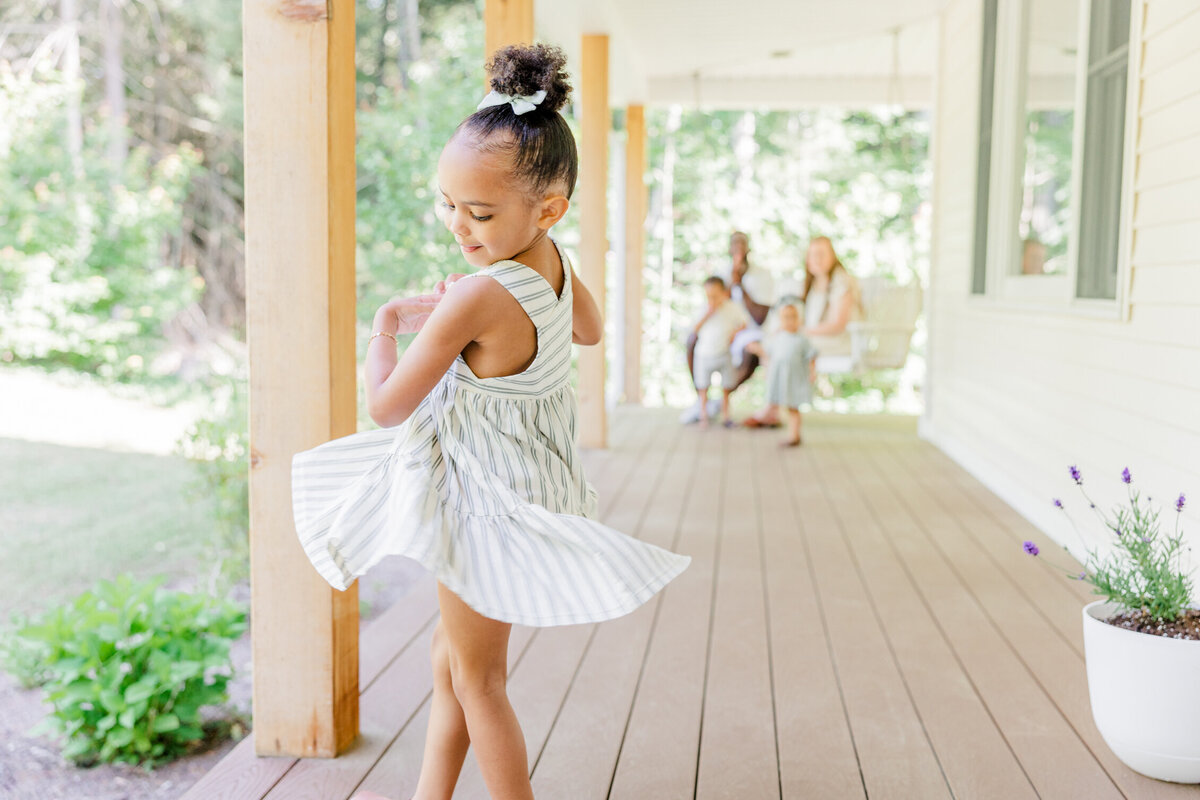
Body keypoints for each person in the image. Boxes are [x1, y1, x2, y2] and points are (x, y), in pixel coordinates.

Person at [290, 44, 690, 800]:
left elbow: (386, 406)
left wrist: (387, 327)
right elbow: (590, 330)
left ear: (548, 207)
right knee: (450, 664)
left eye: (478, 213)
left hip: (483, 508)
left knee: (479, 681)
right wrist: (470, 304)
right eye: (448, 204)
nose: (458, 227)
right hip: (528, 490)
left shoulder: (478, 295)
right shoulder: (553, 263)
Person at [745, 235, 862, 428]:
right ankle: (774, 406)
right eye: (812, 254)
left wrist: (801, 331)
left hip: (836, 339)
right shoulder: (813, 283)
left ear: (833, 256)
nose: (816, 259)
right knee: (780, 343)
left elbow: (837, 325)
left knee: (787, 348)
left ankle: (776, 407)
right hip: (815, 336)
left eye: (822, 254)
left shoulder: (841, 282)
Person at [680, 231, 773, 423]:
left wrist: (741, 285)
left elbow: (759, 317)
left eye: (742, 245)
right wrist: (731, 283)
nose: (738, 250)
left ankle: (756, 406)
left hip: (750, 330)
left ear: (749, 249)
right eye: (734, 245)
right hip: (720, 332)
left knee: (752, 353)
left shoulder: (762, 275)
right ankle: (702, 400)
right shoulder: (722, 273)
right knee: (692, 342)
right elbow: (718, 303)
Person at [745, 302, 816, 447]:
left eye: (793, 317)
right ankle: (768, 419)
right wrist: (758, 351)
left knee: (793, 407)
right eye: (786, 318)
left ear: (798, 319)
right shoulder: (777, 338)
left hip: (794, 379)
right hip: (779, 378)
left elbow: (811, 356)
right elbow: (768, 355)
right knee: (777, 402)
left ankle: (794, 435)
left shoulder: (802, 339)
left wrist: (812, 372)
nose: (789, 321)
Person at [691, 275, 747, 429]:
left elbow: (744, 322)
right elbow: (694, 329)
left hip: (724, 352)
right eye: (709, 296)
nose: (712, 299)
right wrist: (708, 314)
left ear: (724, 293)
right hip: (704, 354)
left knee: (727, 386)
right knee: (703, 386)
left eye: (715, 295)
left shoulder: (731, 307)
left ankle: (726, 415)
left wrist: (735, 334)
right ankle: (703, 415)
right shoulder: (703, 308)